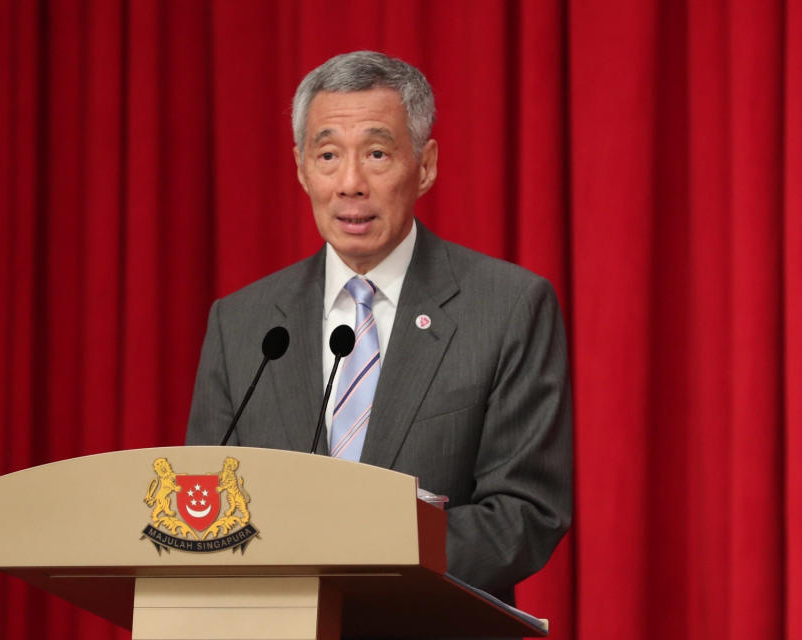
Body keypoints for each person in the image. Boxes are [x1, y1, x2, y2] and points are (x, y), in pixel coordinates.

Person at [185, 51, 571, 609]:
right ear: (300, 168)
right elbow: (208, 500)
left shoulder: (507, 307)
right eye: (327, 155)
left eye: (376, 153)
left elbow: (527, 513)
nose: (350, 183)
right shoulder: (241, 323)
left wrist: (377, 559)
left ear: (426, 164)